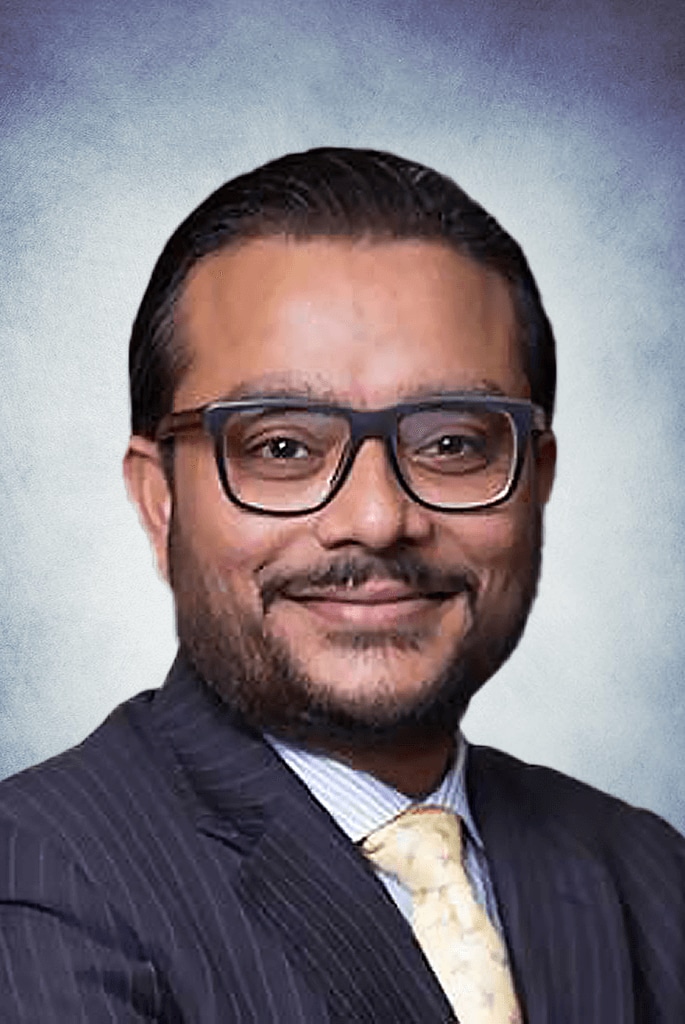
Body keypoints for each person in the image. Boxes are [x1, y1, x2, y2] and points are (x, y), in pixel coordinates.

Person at [0, 147, 683, 1023]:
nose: (377, 517)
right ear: (159, 499)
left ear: (534, 481)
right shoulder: (40, 881)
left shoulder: (648, 873)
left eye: (452, 444)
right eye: (281, 446)